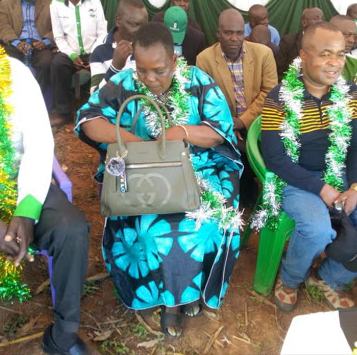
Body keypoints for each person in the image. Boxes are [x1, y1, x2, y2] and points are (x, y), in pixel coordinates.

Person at [75, 22, 242, 338]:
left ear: (176, 61)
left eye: (160, 71)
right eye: (143, 70)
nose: (150, 80)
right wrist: (136, 144)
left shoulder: (199, 83)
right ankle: (172, 303)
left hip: (197, 169)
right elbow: (89, 122)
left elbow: (220, 133)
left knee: (200, 222)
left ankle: (189, 293)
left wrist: (181, 132)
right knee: (153, 228)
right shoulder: (123, 83)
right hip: (141, 174)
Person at [0, 0, 96, 355]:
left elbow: (39, 142)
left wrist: (27, 208)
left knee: (73, 230)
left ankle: (63, 336)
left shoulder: (14, 72)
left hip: (23, 181)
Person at [261, 22, 357, 312]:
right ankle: (291, 278)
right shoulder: (278, 99)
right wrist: (320, 188)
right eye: (325, 54)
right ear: (304, 56)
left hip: (343, 174)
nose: (334, 63)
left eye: (340, 53)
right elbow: (275, 158)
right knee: (316, 228)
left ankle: (328, 277)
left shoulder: (350, 94)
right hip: (298, 178)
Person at [196, 8, 277, 205]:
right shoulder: (204, 59)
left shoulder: (263, 54)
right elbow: (206, 101)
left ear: (245, 33)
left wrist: (244, 121)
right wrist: (230, 125)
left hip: (259, 124)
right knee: (241, 195)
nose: (234, 38)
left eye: (239, 33)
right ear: (218, 33)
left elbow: (270, 92)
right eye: (228, 32)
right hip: (226, 128)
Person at [50, 0, 107, 127]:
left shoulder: (94, 2)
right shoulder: (56, 4)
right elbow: (59, 37)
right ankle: (63, 113)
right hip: (70, 52)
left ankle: (101, 112)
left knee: (105, 63)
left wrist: (95, 54)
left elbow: (102, 33)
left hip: (94, 50)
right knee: (57, 65)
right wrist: (72, 55)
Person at [0, 0, 53, 93]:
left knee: (47, 61)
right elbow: (3, 26)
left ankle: (38, 96)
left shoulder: (49, 4)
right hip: (15, 43)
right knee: (7, 62)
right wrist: (16, 42)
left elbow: (57, 28)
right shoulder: (6, 4)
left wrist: (46, 41)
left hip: (39, 44)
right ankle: (14, 98)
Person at [90, 0, 147, 93]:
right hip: (114, 107)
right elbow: (95, 97)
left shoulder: (149, 46)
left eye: (144, 26)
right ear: (118, 20)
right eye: (134, 24)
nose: (141, 32)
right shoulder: (100, 49)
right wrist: (114, 68)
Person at [277, 7, 324, 81]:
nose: (320, 21)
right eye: (316, 18)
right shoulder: (288, 41)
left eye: (322, 18)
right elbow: (280, 72)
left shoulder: (326, 42)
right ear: (304, 23)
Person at [329, 15, 357, 81]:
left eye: (354, 36)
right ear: (330, 33)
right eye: (346, 34)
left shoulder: (354, 64)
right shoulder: (316, 61)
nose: (352, 40)